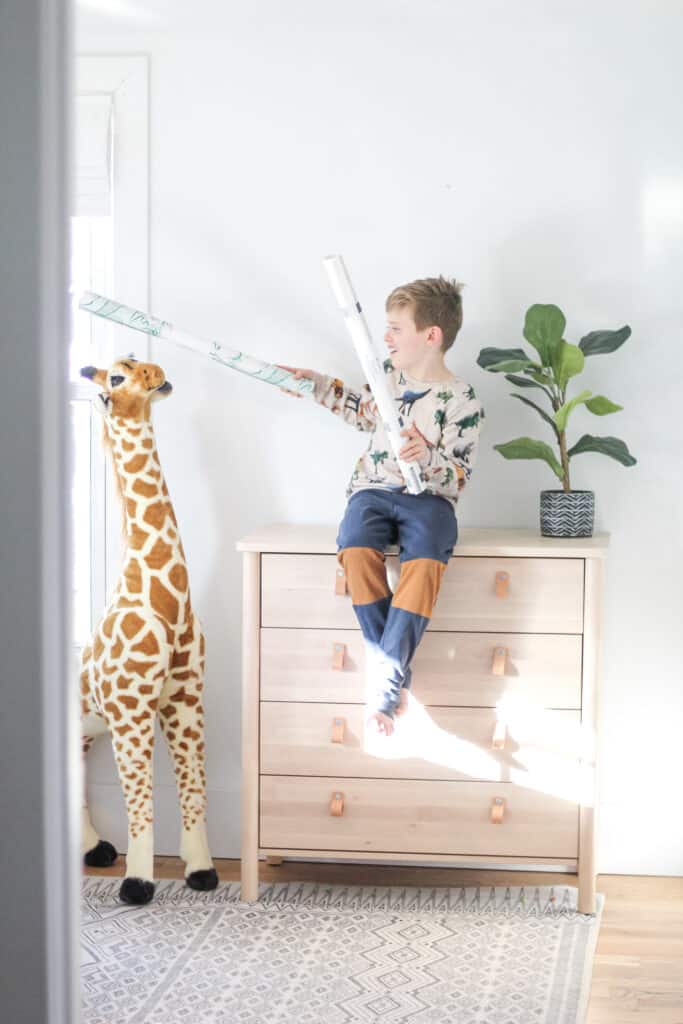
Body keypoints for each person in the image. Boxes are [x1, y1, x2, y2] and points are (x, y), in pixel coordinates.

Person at [280, 275, 483, 736]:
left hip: (428, 500)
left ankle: (385, 691)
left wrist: (427, 457)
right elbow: (354, 406)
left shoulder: (463, 400)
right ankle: (394, 679)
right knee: (353, 546)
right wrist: (310, 383)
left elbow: (459, 475)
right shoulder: (385, 379)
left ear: (431, 336)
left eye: (396, 328)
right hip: (373, 490)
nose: (386, 337)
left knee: (427, 557)